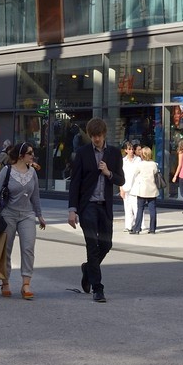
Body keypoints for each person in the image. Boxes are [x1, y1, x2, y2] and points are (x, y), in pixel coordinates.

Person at [66, 117, 124, 303]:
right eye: (93, 136)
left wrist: (109, 173)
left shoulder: (114, 153)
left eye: (98, 136)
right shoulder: (82, 153)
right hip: (87, 206)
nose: (96, 139)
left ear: (104, 134)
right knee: (92, 246)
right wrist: (72, 210)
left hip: (105, 206)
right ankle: (98, 289)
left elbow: (121, 180)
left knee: (106, 244)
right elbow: (75, 183)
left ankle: (88, 269)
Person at [0, 142, 47, 299]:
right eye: (30, 153)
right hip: (8, 214)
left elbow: (35, 196)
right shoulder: (7, 171)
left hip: (27, 215)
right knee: (6, 249)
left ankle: (26, 284)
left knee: (28, 248)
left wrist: (40, 215)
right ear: (21, 156)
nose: (32, 156)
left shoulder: (32, 173)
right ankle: (5, 281)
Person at [128, 146, 160, 235]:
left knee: (140, 209)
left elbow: (134, 173)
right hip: (152, 189)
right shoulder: (154, 164)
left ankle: (137, 228)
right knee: (152, 209)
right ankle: (152, 229)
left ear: (142, 154)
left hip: (142, 189)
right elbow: (155, 173)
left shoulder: (140, 164)